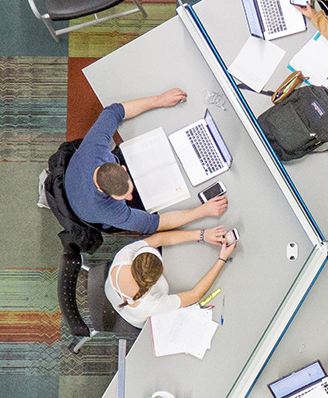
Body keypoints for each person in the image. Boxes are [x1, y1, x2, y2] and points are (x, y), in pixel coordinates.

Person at [64, 88, 228, 234]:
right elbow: (155, 224)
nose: (129, 197)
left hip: (79, 180)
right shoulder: (109, 211)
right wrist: (202, 211)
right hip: (85, 206)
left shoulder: (95, 148)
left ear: (123, 168)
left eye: (128, 191)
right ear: (104, 191)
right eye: (124, 196)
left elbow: (114, 111)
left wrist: (159, 100)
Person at [105, 227, 236, 329]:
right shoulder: (152, 304)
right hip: (135, 318)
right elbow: (195, 295)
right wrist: (222, 259)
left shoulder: (125, 255)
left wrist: (202, 235)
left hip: (113, 294)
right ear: (162, 271)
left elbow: (159, 239)